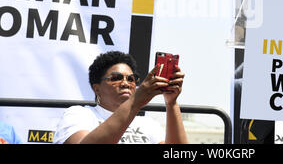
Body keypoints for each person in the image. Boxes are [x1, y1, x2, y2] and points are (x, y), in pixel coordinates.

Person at [53, 50, 188, 144]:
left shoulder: (147, 124)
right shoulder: (79, 114)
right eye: (116, 78)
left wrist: (171, 104)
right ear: (96, 88)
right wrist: (135, 102)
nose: (125, 83)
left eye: (131, 79)